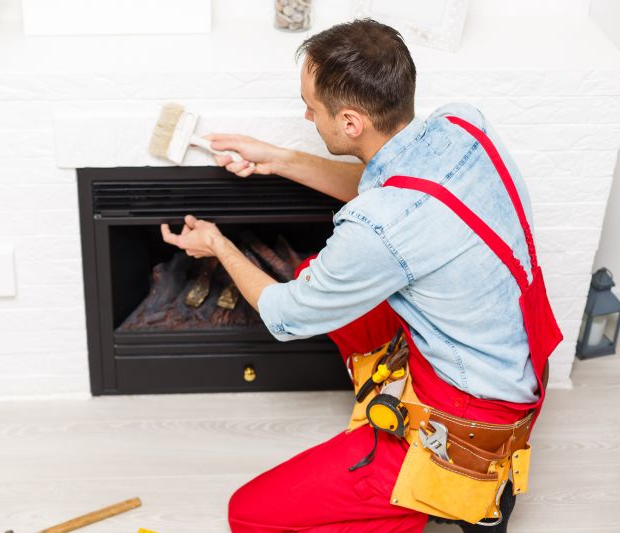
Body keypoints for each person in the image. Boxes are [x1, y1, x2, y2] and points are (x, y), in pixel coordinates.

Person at [160, 19, 561, 533]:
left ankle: (456, 492)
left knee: (249, 515)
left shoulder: (378, 228)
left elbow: (286, 315)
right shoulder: (463, 125)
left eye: (311, 106)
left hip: (470, 418)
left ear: (350, 123)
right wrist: (278, 159)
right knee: (316, 272)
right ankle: (405, 427)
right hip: (517, 361)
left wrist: (219, 246)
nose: (305, 114)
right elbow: (393, 192)